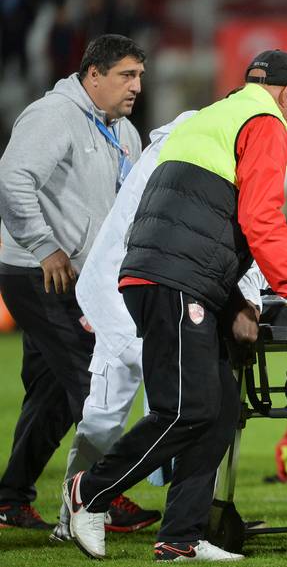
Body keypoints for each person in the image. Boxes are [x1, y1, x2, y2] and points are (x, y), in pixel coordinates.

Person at [63, 49, 287, 562]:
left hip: (162, 273)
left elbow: (209, 213)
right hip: (176, 279)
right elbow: (261, 217)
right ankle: (91, 492)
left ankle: (180, 537)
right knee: (184, 410)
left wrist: (233, 295)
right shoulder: (267, 121)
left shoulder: (214, 115)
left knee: (217, 409)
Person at [0, 33, 149, 531]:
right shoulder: (53, 116)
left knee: (52, 395)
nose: (136, 86)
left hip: (84, 277)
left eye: (141, 76)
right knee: (95, 380)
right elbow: (13, 178)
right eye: (127, 76)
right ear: (93, 75)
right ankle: (99, 493)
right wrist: (45, 246)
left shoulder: (123, 130)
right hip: (37, 271)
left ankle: (9, 498)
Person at [50, 112, 199, 544]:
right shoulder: (182, 152)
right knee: (127, 408)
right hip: (121, 290)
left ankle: (77, 511)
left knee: (127, 407)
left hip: (132, 284)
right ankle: (86, 505)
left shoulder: (175, 147)